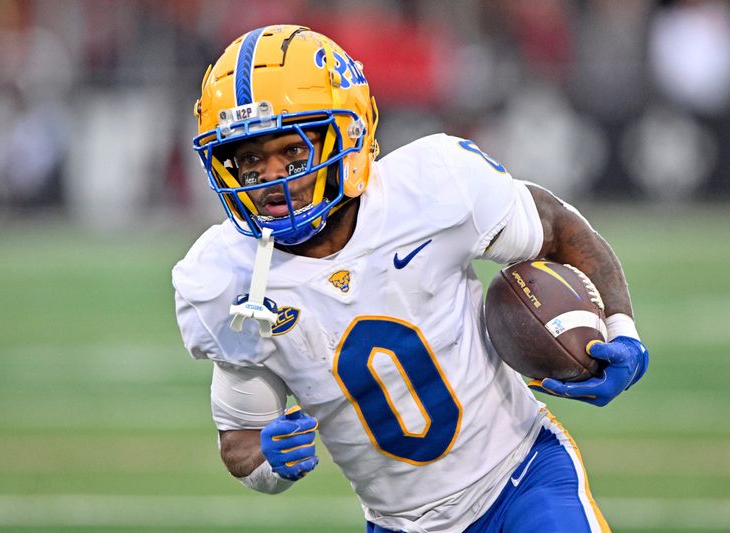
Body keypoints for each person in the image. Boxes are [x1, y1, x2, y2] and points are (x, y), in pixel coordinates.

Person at [172, 25, 649, 533]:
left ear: (348, 134)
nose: (274, 178)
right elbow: (242, 438)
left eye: (292, 151)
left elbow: (558, 228)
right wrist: (271, 463)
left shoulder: (433, 186)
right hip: (400, 524)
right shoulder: (227, 278)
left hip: (523, 477)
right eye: (250, 160)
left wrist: (622, 331)